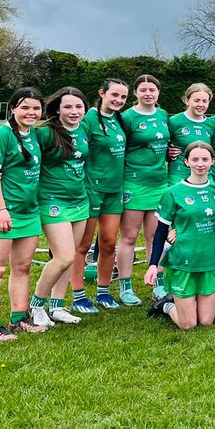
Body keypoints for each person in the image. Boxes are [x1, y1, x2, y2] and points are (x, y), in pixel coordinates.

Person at [0, 88, 46, 341]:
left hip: (30, 212)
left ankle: (19, 318)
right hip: (2, 213)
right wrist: (1, 209)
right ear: (13, 109)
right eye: (25, 107)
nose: (31, 112)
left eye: (36, 108)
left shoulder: (36, 135)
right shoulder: (2, 135)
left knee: (23, 267)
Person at [29, 87, 91, 326]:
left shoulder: (85, 127)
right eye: (68, 106)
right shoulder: (44, 133)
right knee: (63, 256)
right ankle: (36, 305)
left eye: (78, 107)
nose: (74, 111)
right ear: (57, 109)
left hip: (79, 200)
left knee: (72, 256)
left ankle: (57, 306)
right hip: (53, 201)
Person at [144, 141, 215, 330]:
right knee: (188, 324)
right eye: (195, 159)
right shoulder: (173, 193)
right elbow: (161, 232)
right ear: (186, 162)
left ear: (213, 161)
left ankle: (187, 302)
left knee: (206, 321)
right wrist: (153, 265)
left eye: (205, 159)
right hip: (182, 261)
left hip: (208, 261)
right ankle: (166, 305)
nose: (200, 163)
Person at [69, 78, 128, 315]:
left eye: (123, 97)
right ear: (102, 92)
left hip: (115, 190)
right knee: (82, 245)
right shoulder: (88, 118)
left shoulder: (121, 120)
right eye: (114, 95)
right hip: (91, 189)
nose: (118, 100)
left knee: (108, 243)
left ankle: (103, 291)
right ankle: (79, 295)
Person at [117, 75, 170, 307]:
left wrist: (171, 153)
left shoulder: (163, 115)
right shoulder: (127, 117)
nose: (148, 93)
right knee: (129, 237)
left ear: (158, 93)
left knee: (154, 236)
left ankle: (158, 282)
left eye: (152, 89)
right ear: (135, 93)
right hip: (134, 183)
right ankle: (125, 287)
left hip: (159, 183)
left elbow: (164, 144)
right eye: (143, 90)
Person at [168, 83, 213, 183]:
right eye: (196, 100)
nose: (201, 104)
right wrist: (168, 151)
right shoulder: (174, 121)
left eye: (204, 101)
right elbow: (161, 142)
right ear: (187, 101)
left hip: (204, 175)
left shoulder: (211, 124)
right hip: (179, 174)